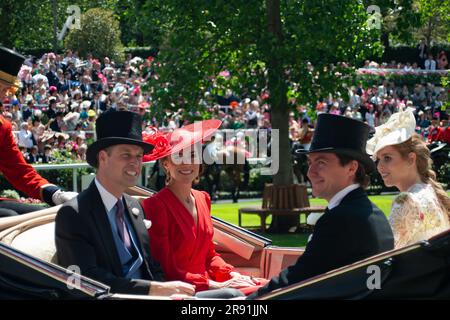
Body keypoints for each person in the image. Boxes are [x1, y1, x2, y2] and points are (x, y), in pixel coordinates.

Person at [248, 114, 394, 299]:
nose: (310, 172)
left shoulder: (341, 219)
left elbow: (296, 280)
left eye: (321, 162)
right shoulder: (371, 214)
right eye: (310, 162)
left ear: (351, 168)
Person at [55, 111, 195, 296]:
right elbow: (84, 281)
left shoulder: (134, 206)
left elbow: (151, 265)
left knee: (232, 296)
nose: (135, 163)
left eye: (138, 156)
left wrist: (169, 294)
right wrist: (152, 290)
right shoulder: (74, 214)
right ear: (103, 158)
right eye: (126, 155)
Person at [141, 120, 265, 296]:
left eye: (192, 155)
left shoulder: (203, 198)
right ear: (166, 164)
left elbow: (209, 255)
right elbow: (168, 270)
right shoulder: (155, 205)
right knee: (240, 295)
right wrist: (218, 286)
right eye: (178, 156)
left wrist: (232, 274)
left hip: (209, 287)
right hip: (183, 292)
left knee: (267, 286)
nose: (186, 163)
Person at [0, 46, 77, 217]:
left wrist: (55, 194)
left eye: (7, 90)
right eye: (2, 89)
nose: (6, 97)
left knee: (47, 216)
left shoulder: (2, 126)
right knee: (10, 217)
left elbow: (20, 171)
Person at [366, 110, 450, 248]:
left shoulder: (405, 201)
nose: (379, 167)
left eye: (387, 158)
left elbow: (384, 255)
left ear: (411, 159)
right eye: (379, 159)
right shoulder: (431, 191)